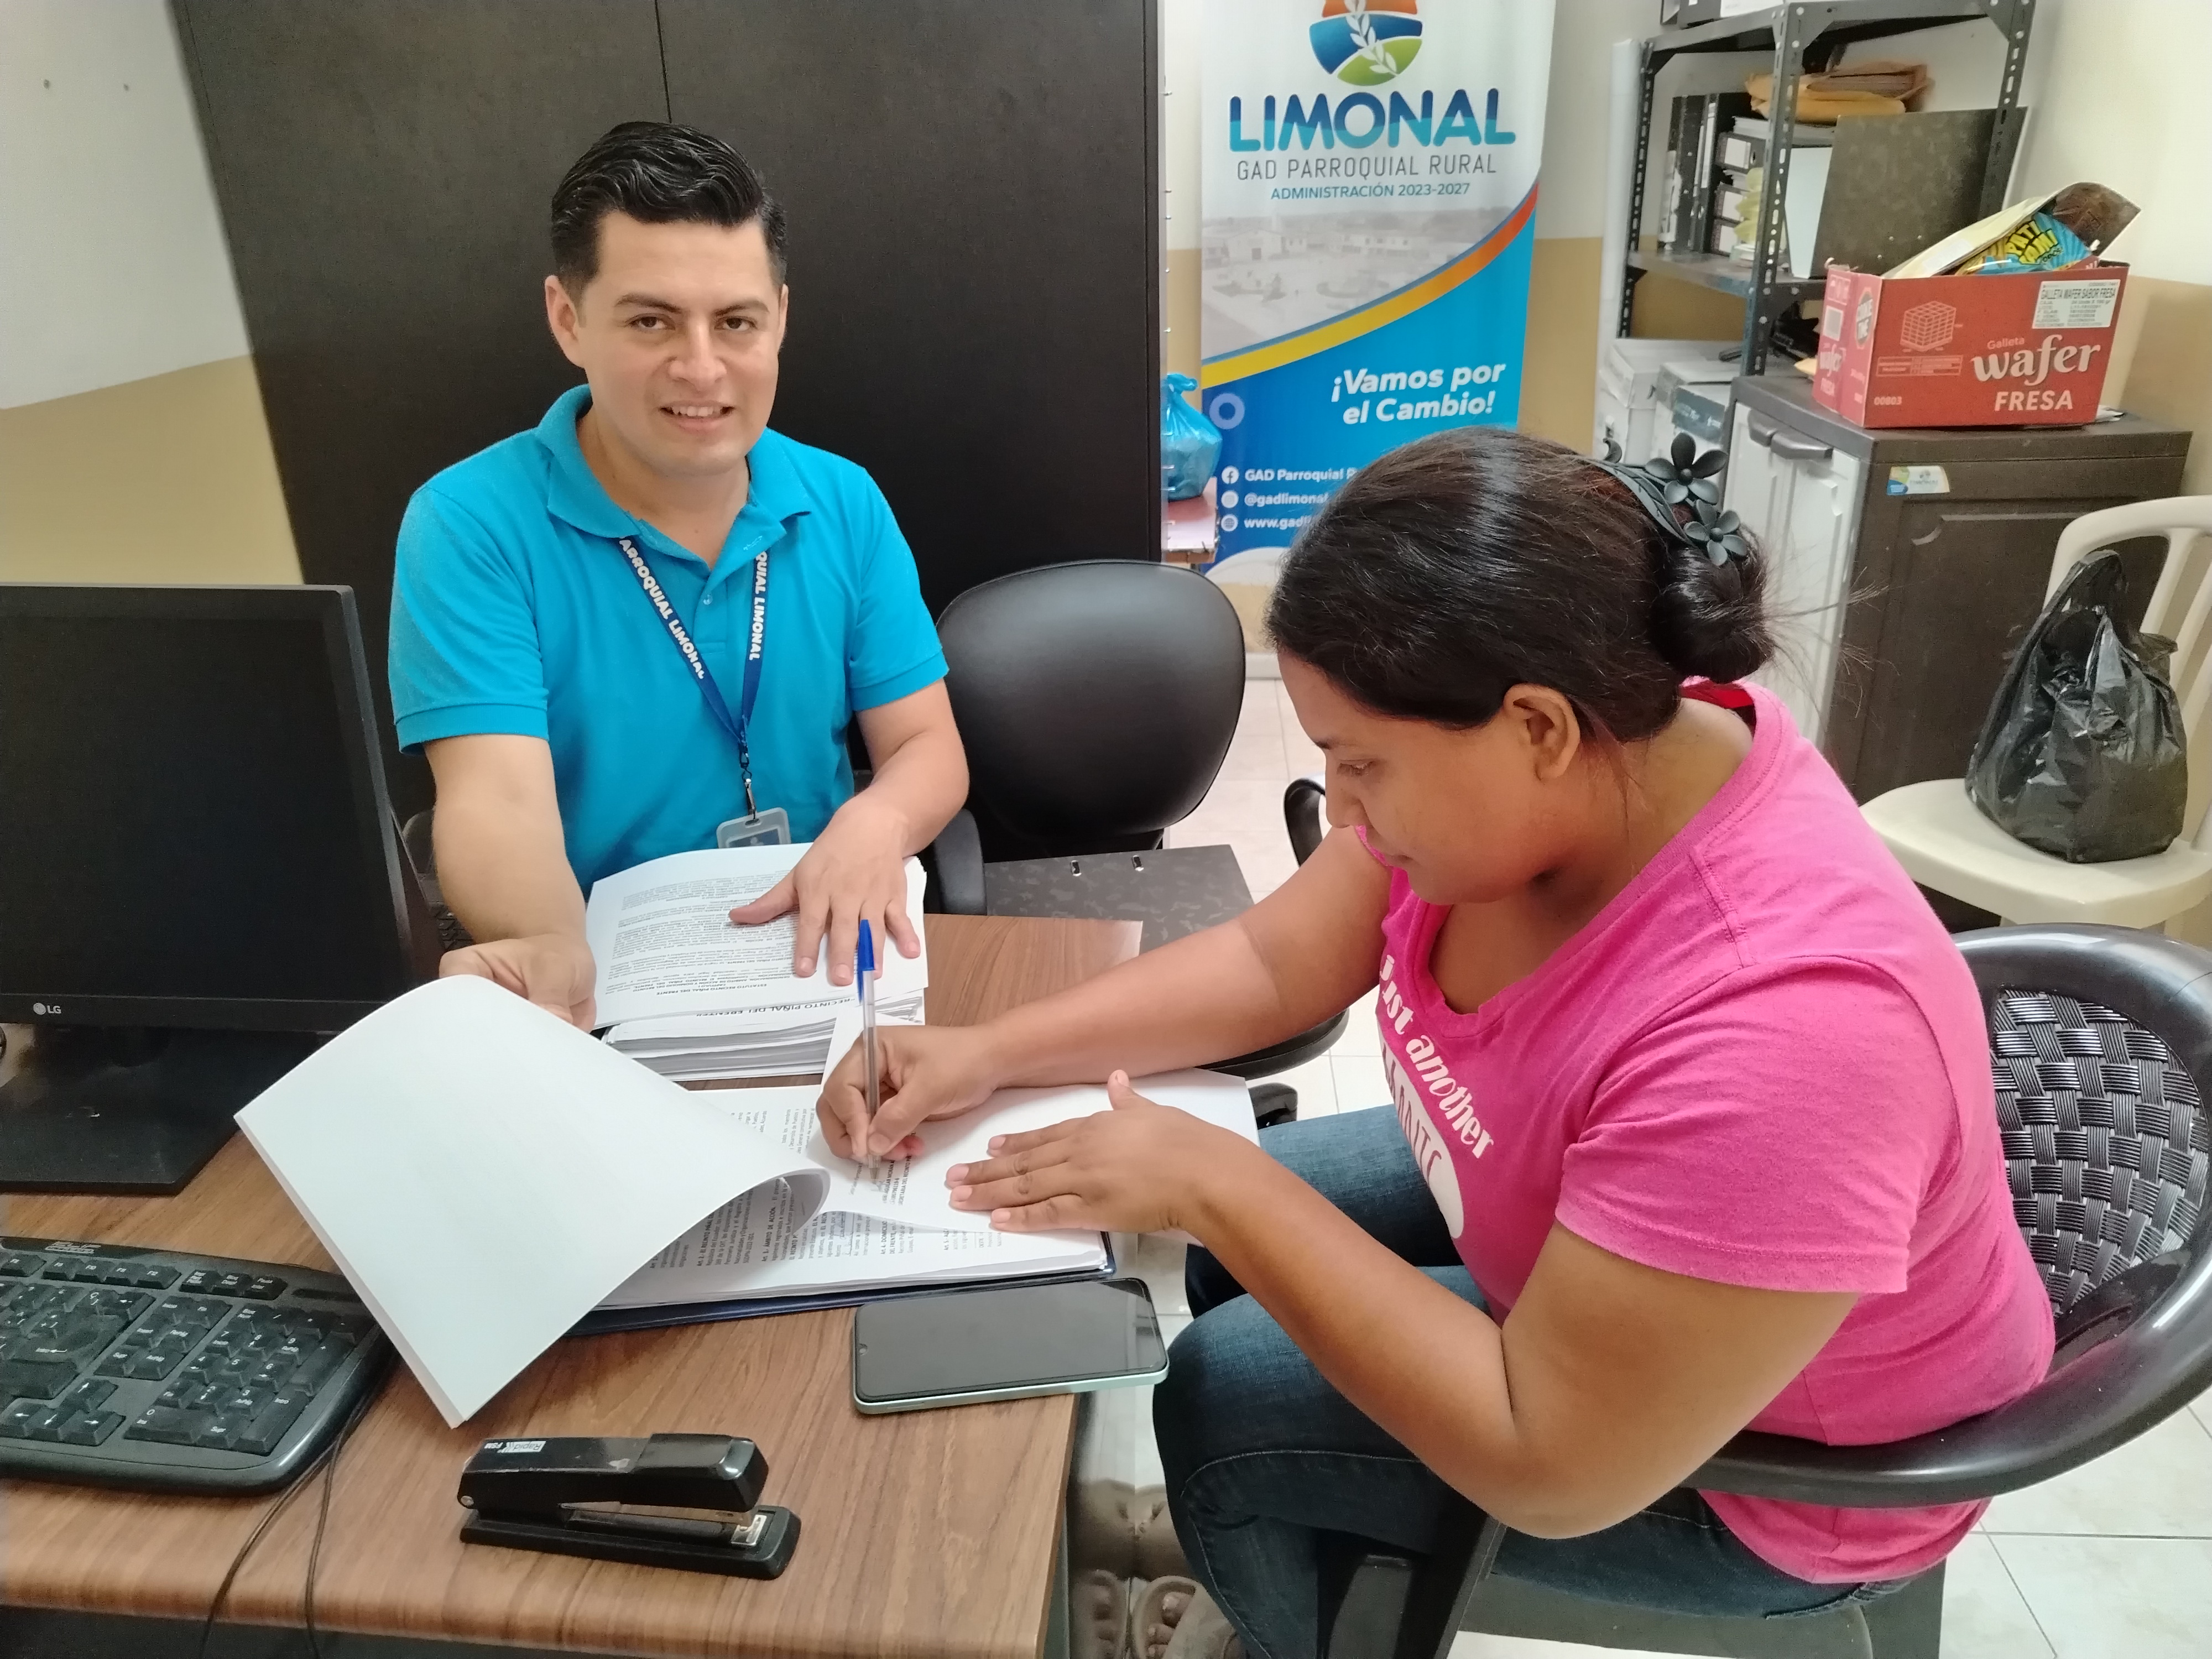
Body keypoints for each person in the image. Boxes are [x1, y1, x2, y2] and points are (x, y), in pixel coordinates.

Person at [817, 427, 2056, 1658]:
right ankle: (1295, 1547)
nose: (1342, 812)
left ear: (1538, 730)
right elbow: (1275, 962)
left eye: (1362, 766)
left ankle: (1283, 1620)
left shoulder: (1785, 1031)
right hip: (1579, 1227)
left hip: (1763, 1479)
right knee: (1229, 1258)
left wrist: (1216, 1185)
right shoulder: (1595, 747)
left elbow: (1550, 1462)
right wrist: (989, 1049)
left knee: (1222, 1395)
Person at [389, 122, 966, 1027]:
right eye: (650, 321)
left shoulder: (843, 500)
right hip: (613, 976)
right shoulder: (468, 524)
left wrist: (878, 821)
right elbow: (496, 798)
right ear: (568, 319)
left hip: (812, 951)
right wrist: (552, 947)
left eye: (736, 322)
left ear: (779, 317)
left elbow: (927, 745)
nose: (701, 369)